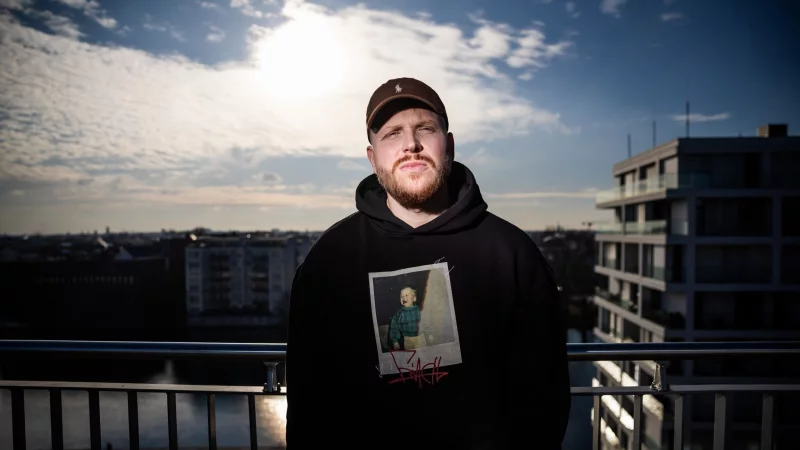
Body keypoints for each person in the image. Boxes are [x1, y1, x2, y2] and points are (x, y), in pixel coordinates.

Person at [285, 77, 570, 449]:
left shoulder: (513, 254)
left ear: (448, 145)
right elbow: (308, 403)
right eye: (392, 133)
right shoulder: (328, 259)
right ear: (373, 157)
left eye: (424, 129)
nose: (411, 144)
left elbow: (545, 399)